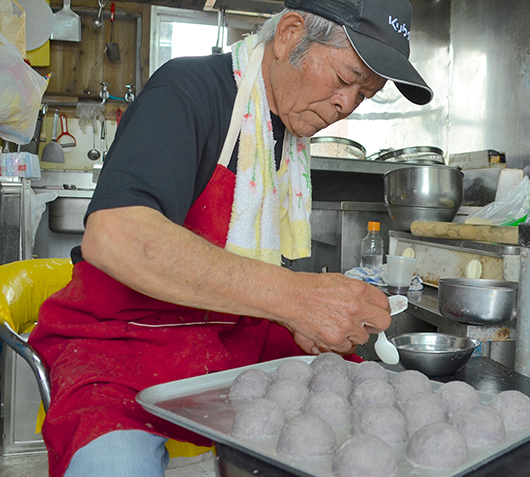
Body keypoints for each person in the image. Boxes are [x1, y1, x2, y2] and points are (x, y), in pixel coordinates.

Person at [28, 0, 432, 475]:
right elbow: (116, 236)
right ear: (289, 35)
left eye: (365, 94)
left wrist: (295, 317)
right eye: (344, 80)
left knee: (366, 411)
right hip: (120, 346)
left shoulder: (284, 132)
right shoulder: (187, 91)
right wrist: (291, 298)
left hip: (227, 339)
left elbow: (247, 267)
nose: (347, 105)